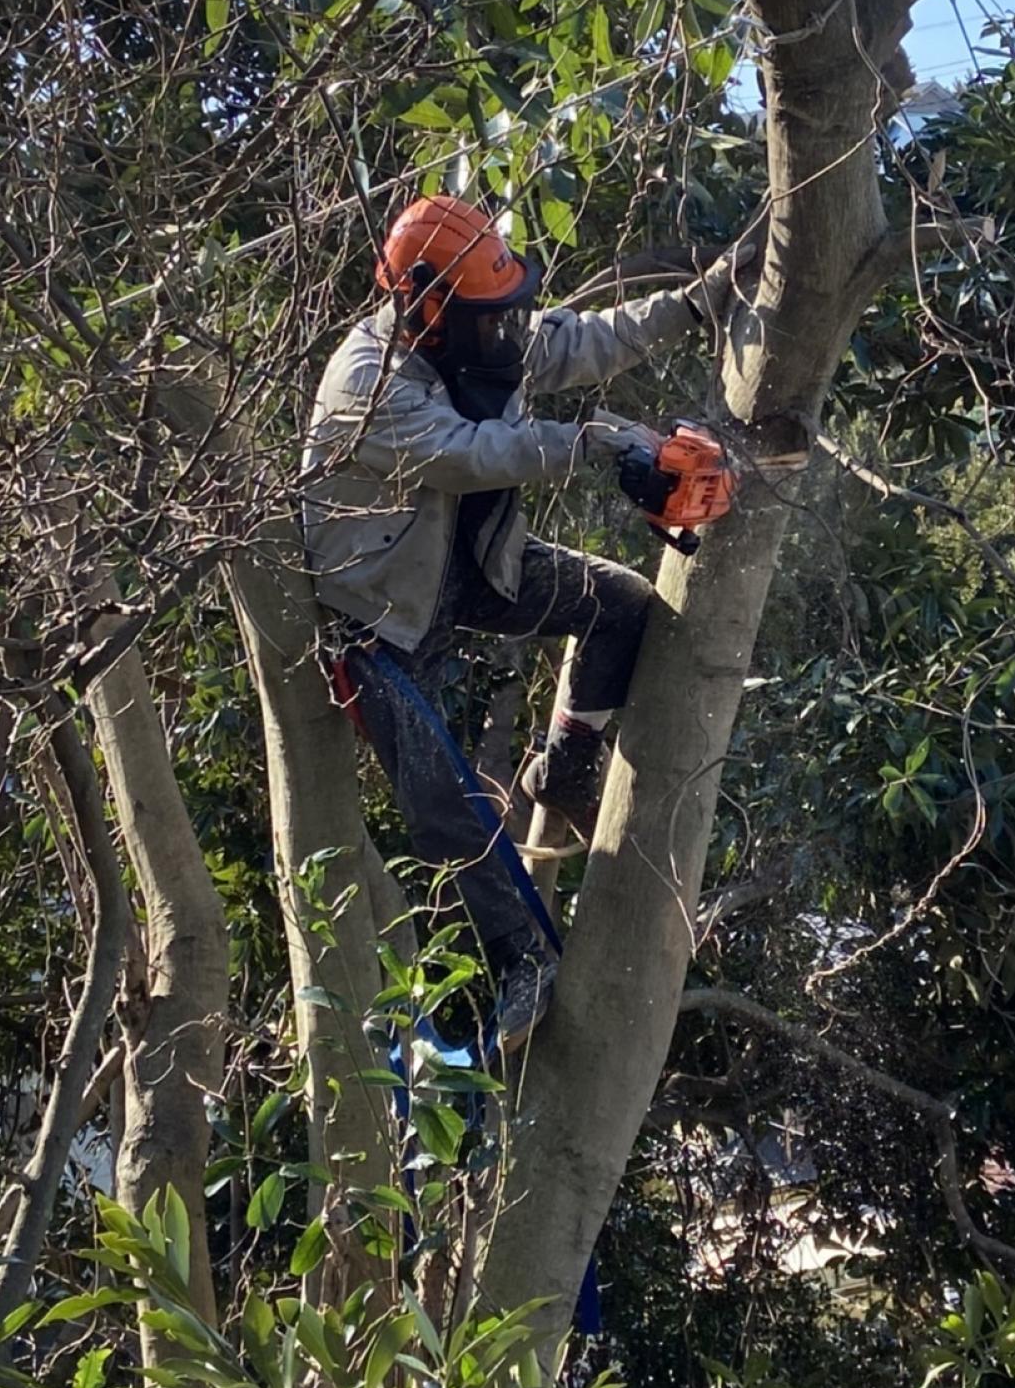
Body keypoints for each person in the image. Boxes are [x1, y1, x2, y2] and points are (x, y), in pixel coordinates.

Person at [301, 195, 745, 1043]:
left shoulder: (481, 333)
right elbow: (469, 455)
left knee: (618, 603)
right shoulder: (367, 383)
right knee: (447, 798)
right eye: (486, 312)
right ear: (425, 305)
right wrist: (590, 445)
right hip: (379, 618)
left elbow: (580, 339)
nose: (505, 326)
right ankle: (520, 962)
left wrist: (695, 303)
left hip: (469, 569)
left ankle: (567, 762)